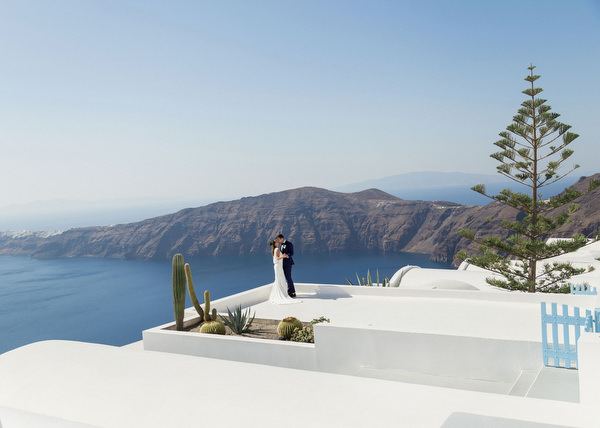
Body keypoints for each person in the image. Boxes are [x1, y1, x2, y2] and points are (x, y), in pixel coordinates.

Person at [268, 240, 295, 304]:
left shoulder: (275, 249)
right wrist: (284, 256)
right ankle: (282, 294)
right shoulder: (277, 249)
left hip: (278, 266)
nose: (277, 241)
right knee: (280, 279)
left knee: (279, 279)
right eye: (276, 241)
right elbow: (277, 258)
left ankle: (281, 293)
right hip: (278, 267)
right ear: (275, 244)